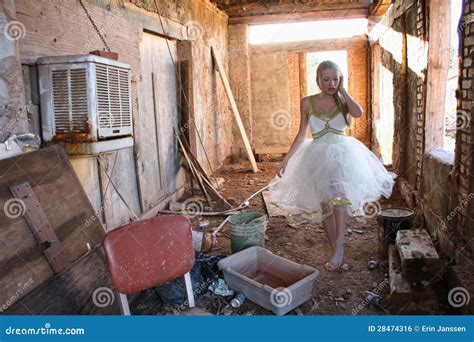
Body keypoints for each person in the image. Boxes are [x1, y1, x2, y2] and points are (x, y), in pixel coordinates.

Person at [268, 60, 395, 272]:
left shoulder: (343, 100)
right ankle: (334, 246)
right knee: (324, 202)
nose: (331, 83)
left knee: (339, 194)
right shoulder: (307, 102)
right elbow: (301, 135)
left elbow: (358, 113)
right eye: (326, 79)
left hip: (342, 153)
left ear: (340, 79)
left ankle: (339, 245)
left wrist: (343, 90)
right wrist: (286, 158)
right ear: (318, 80)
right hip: (316, 154)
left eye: (335, 79)